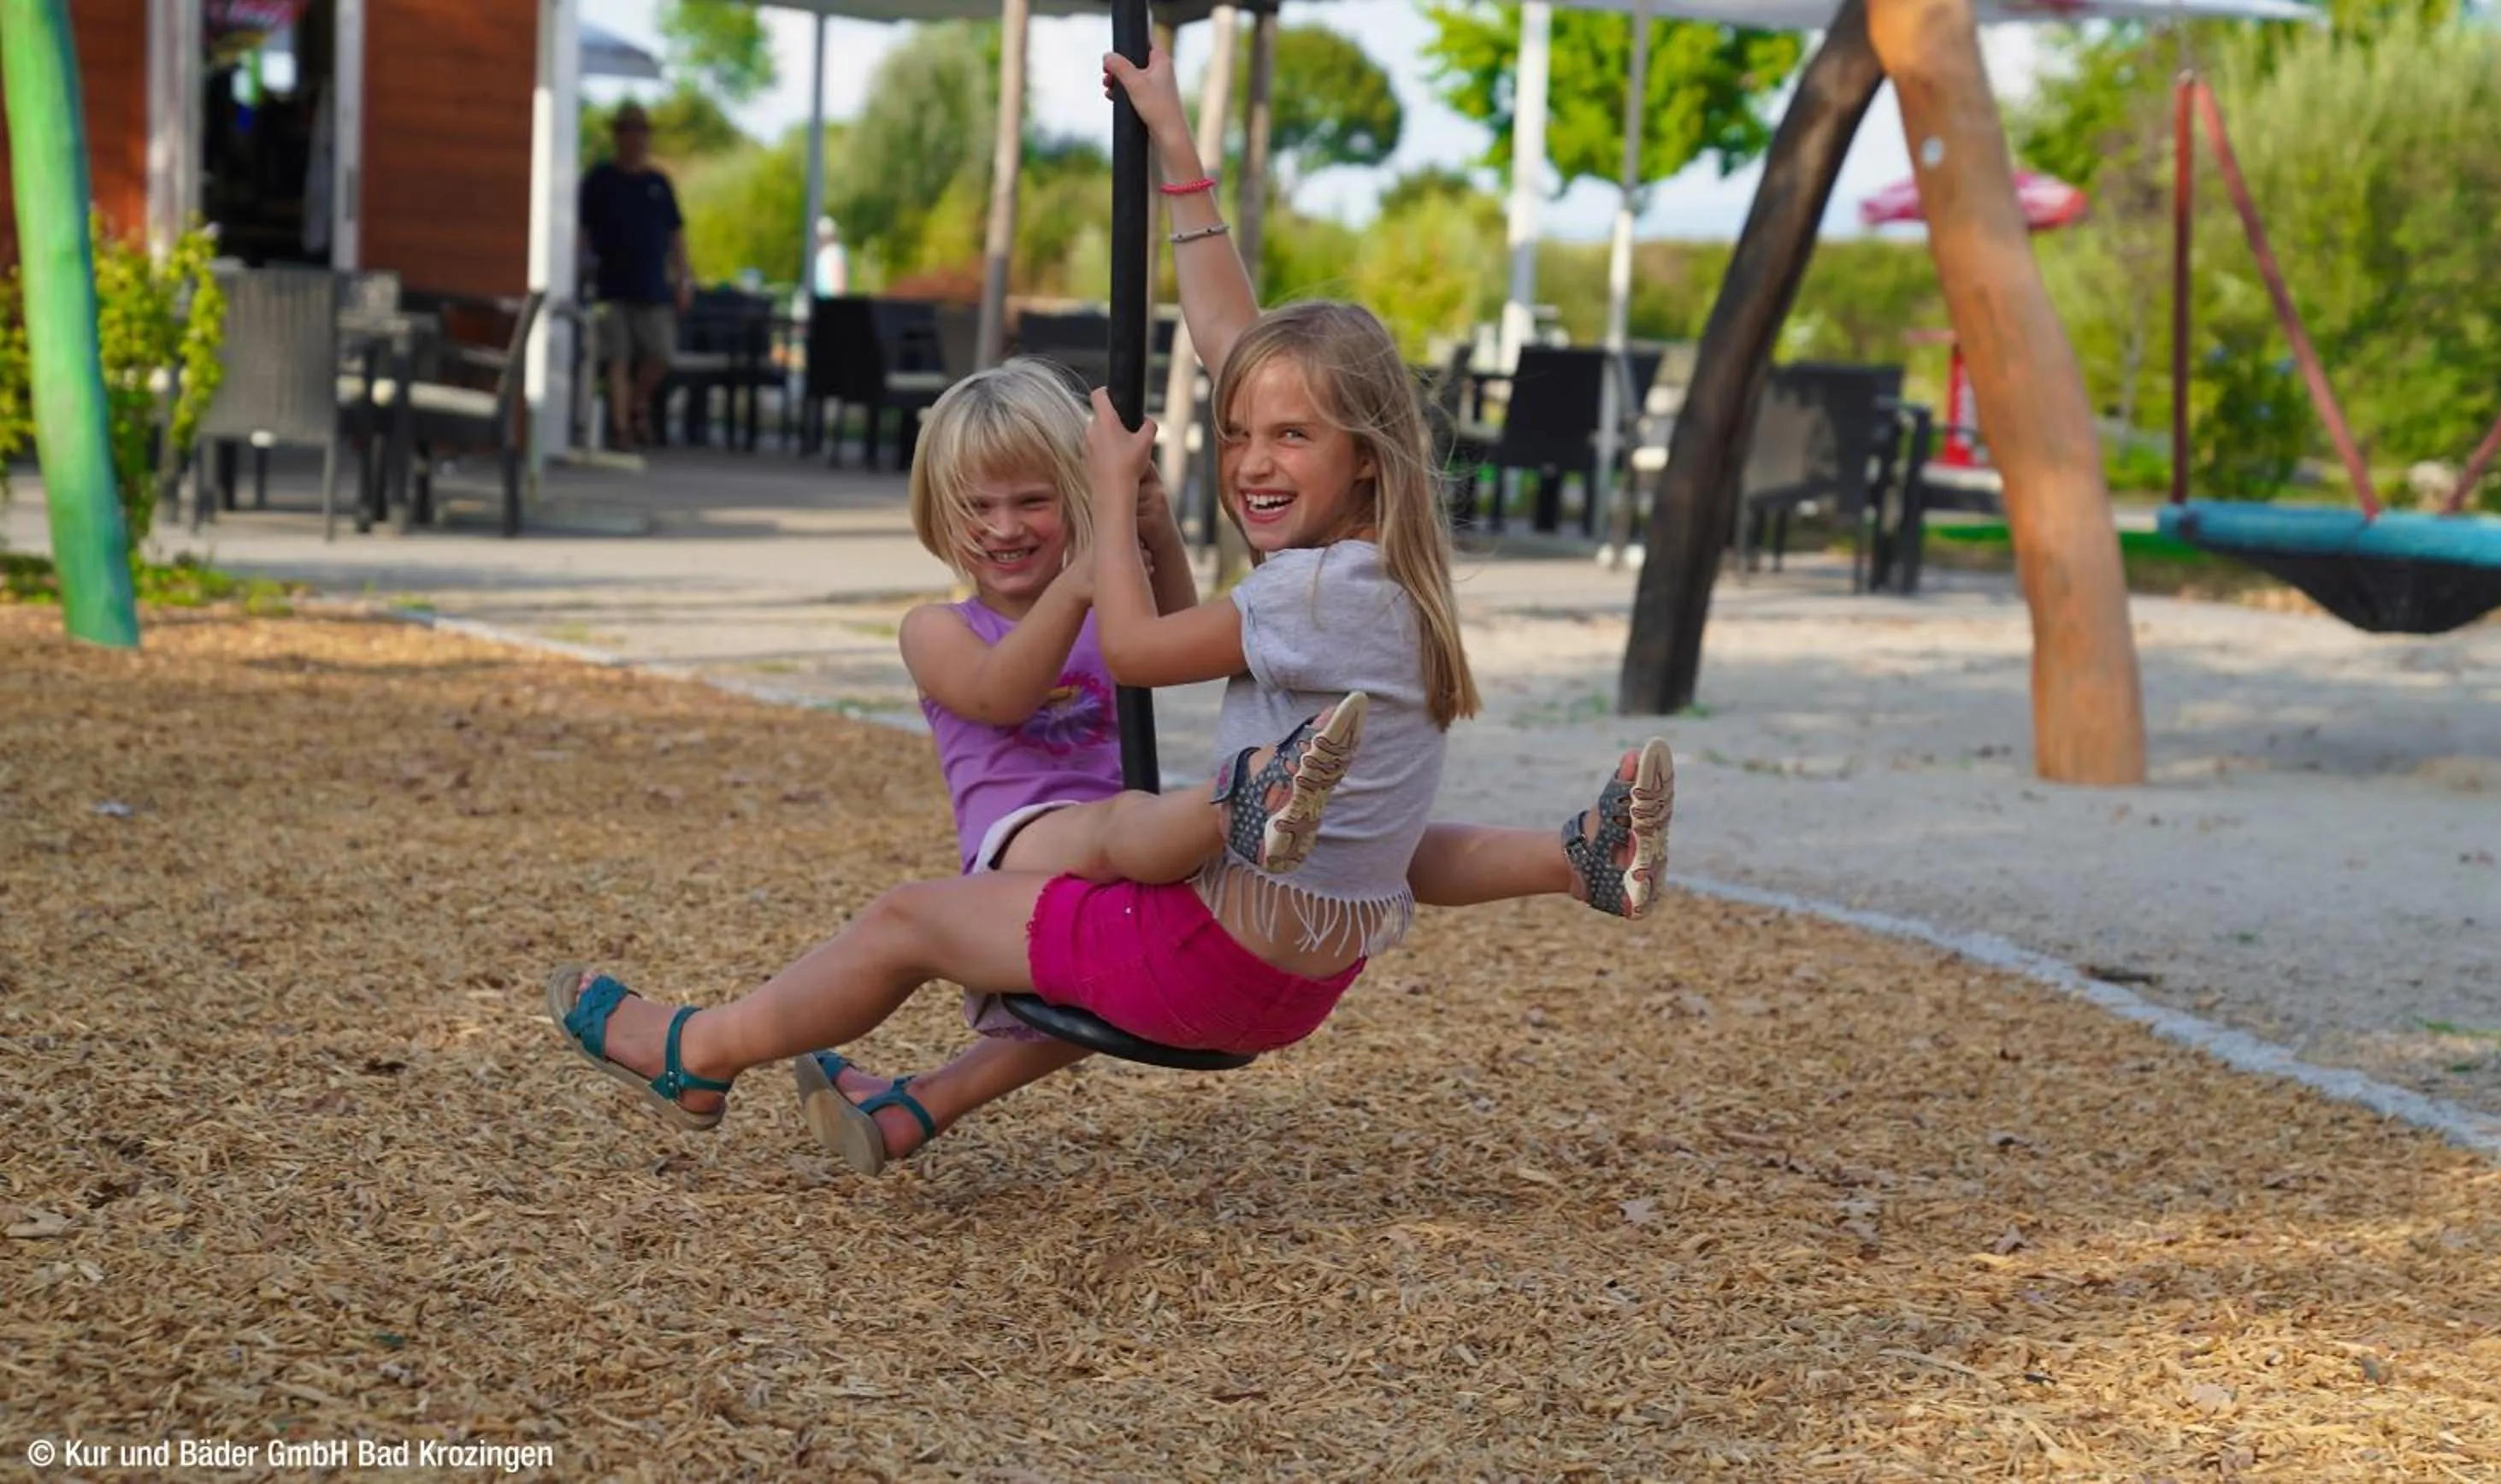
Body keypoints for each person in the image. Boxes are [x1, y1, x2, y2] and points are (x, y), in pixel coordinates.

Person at [542, 49, 1675, 1175]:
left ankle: (697, 1049)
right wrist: (1173, 145)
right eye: (1238, 432)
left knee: (909, 919)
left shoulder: (1309, 588)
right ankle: (1565, 853)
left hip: (1214, 954)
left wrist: (1112, 507)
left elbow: (1135, 649)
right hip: (1307, 973)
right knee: (1351, 843)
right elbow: (1237, 348)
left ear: (1363, 455)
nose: (1249, 458)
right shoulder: (1391, 575)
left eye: (1289, 437)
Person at [577, 102, 693, 450]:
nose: (636, 139)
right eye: (629, 131)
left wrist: (683, 277)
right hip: (610, 284)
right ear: (618, 136)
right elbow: (583, 230)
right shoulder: (600, 180)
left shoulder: (658, 183)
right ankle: (621, 428)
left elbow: (676, 234)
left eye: (641, 132)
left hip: (651, 283)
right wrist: (580, 267)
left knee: (662, 353)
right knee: (617, 357)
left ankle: (636, 404)